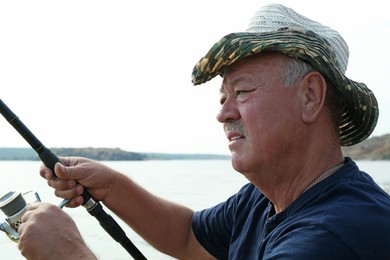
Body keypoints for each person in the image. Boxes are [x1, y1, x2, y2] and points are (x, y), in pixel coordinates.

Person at [17, 3, 390, 259]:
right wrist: (112, 186)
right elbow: (189, 237)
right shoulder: (264, 200)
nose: (224, 113)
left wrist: (69, 254)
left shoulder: (336, 235)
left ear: (310, 97)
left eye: (242, 92)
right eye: (223, 96)